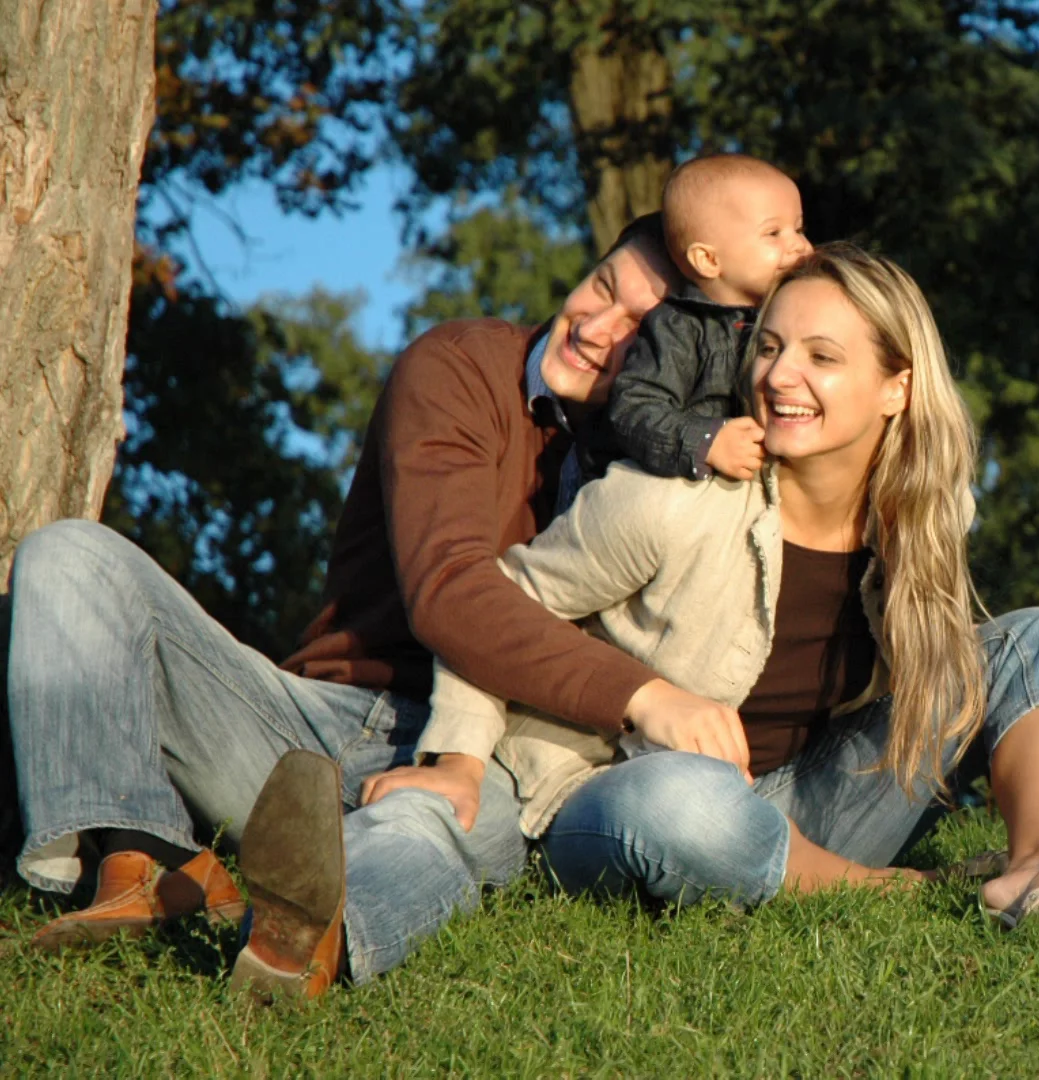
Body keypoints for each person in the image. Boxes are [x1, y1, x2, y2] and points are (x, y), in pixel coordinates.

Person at [6, 212, 679, 996]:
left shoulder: (665, 470)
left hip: (478, 751)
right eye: (602, 288)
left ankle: (308, 935)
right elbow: (450, 591)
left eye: (639, 328)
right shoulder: (461, 365)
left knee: (443, 822)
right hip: (315, 714)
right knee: (69, 555)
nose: (598, 327)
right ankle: (144, 858)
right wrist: (642, 697)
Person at [421, 243, 1039, 925]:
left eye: (821, 356)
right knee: (687, 800)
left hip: (800, 804)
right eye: (769, 347)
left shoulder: (929, 515)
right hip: (619, 804)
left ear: (897, 387)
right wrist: (457, 760)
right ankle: (891, 895)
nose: (779, 376)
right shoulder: (665, 502)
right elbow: (495, 612)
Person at [595, 153, 811, 485]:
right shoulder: (680, 327)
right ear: (708, 259)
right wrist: (707, 441)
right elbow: (633, 408)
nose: (799, 245)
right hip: (681, 497)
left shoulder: (792, 320)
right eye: (773, 233)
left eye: (798, 229)